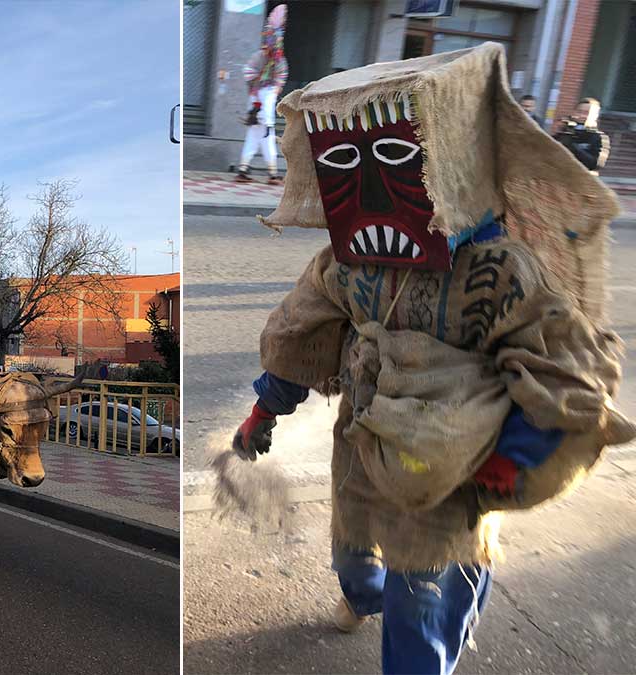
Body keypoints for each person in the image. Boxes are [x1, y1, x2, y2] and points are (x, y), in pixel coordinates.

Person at [228, 43, 632, 674]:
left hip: (457, 465)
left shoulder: (500, 271)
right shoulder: (347, 260)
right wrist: (265, 410)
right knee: (355, 564)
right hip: (365, 444)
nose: (365, 182)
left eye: (392, 155)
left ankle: (446, 618)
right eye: (343, 161)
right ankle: (373, 597)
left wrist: (511, 463)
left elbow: (565, 374)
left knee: (422, 607)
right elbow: (299, 331)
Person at [233, 5, 288, 185]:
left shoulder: (277, 61)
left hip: (258, 103)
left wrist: (263, 89)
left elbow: (280, 78)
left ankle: (244, 169)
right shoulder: (263, 58)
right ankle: (270, 173)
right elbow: (249, 73)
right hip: (259, 104)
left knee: (255, 138)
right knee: (266, 137)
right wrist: (267, 119)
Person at [554, 97, 610, 174]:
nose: (582, 116)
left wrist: (573, 147)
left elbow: (595, 164)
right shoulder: (565, 132)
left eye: (587, 113)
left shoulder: (599, 137)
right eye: (579, 112)